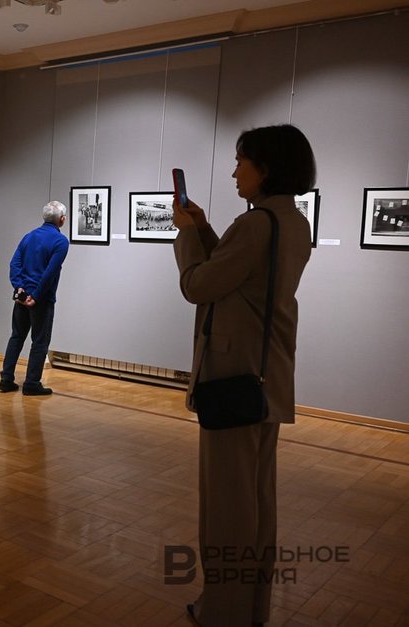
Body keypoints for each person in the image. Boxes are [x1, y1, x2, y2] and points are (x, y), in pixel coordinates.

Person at [172, 124, 315, 627]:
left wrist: (187, 234)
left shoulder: (256, 226)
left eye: (241, 160)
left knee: (228, 512)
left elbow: (199, 285)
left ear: (266, 167)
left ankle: (223, 613)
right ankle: (250, 609)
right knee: (256, 503)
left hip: (233, 379)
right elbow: (241, 273)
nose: (234, 171)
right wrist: (207, 229)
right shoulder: (291, 223)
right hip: (266, 378)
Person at [0, 200, 70, 396]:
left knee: (16, 337)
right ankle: (31, 383)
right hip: (42, 300)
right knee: (39, 342)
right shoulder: (61, 242)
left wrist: (19, 288)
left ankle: (6, 379)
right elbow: (50, 272)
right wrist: (36, 297)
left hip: (22, 297)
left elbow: (15, 264)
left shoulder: (29, 237)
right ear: (62, 220)